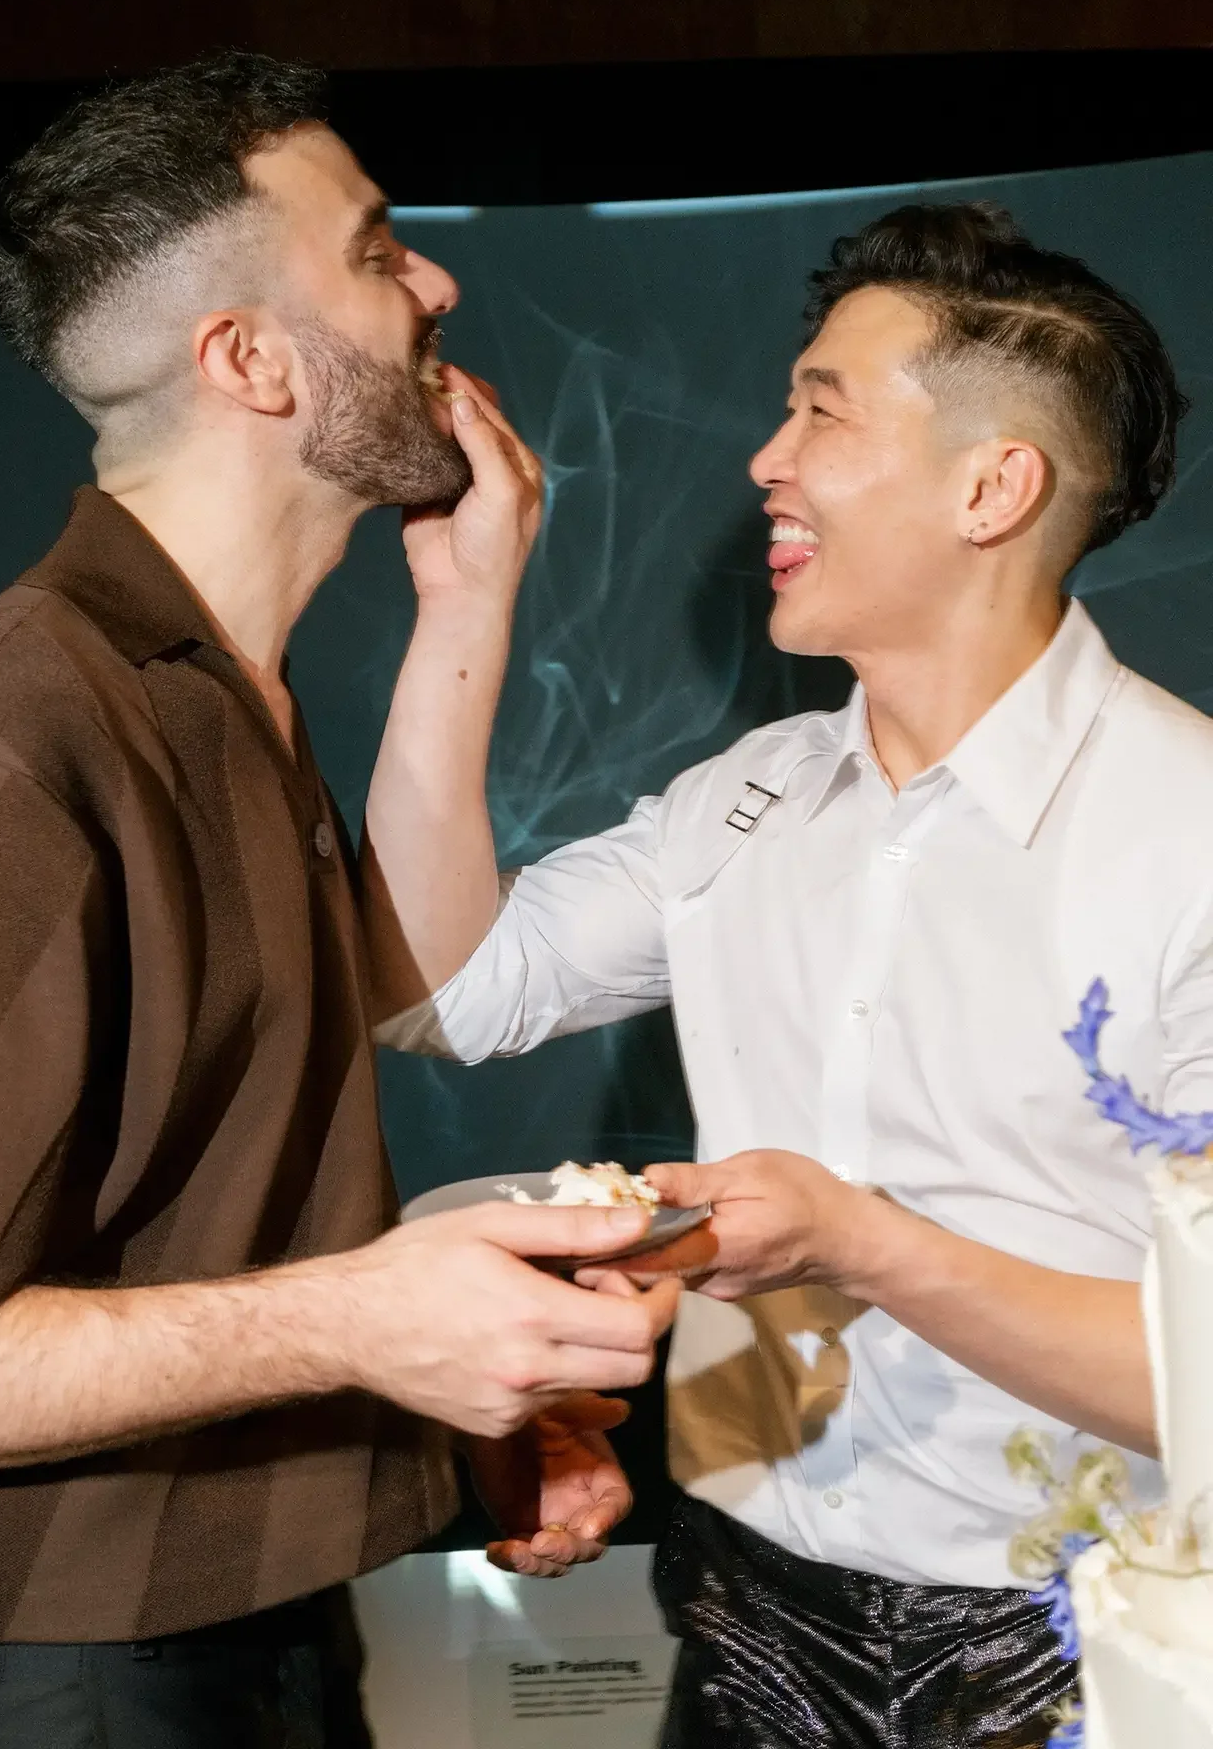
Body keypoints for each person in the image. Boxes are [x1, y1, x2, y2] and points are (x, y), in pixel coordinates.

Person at [0, 52, 678, 1749]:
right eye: (378, 252)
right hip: (57, 1682)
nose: (437, 283)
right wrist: (373, 1315)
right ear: (247, 358)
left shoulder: (213, 690)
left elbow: (227, 1192)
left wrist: (445, 1400)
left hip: (238, 1632)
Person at [363, 201, 1213, 1748]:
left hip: (1088, 1641)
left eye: (821, 408)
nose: (766, 456)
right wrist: (463, 601)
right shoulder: (744, 798)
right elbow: (449, 989)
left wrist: (863, 1243)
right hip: (749, 1603)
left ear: (993, 486)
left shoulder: (1192, 833)